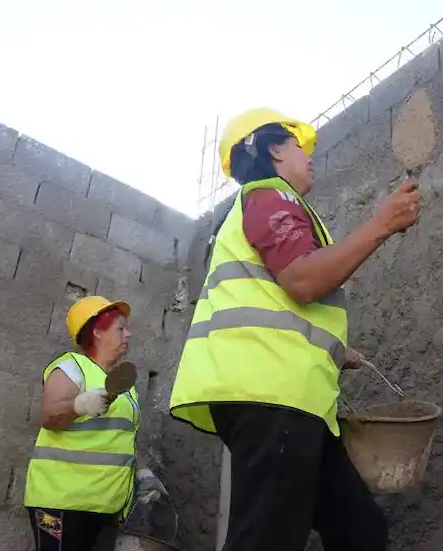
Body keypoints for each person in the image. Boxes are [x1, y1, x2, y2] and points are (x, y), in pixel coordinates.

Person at [169, 107, 422, 551]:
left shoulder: (268, 207)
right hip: (273, 396)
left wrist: (334, 350)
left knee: (361, 532)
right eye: (300, 146)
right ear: (273, 148)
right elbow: (303, 280)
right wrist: (382, 224)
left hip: (292, 399)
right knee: (267, 539)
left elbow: (274, 301)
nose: (310, 158)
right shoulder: (270, 195)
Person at [24, 296, 169, 551]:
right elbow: (48, 417)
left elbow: (124, 437)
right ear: (98, 332)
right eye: (121, 328)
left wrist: (143, 473)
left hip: (106, 506)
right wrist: (78, 406)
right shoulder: (72, 367)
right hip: (60, 504)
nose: (129, 334)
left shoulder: (124, 386)